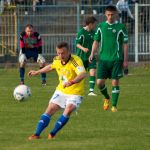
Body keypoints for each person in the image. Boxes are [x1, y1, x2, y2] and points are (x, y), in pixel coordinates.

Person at [28, 42, 86, 140]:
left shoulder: (75, 61)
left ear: (68, 52)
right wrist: (37, 72)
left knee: (68, 110)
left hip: (75, 92)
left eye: (62, 53)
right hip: (61, 90)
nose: (60, 56)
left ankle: (52, 133)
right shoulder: (57, 59)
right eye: (58, 53)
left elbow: (82, 74)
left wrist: (71, 82)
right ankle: (37, 134)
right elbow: (51, 66)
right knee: (50, 109)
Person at [89, 5, 128, 112]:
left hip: (116, 59)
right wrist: (92, 53)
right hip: (103, 60)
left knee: (115, 82)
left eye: (112, 14)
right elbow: (96, 41)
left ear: (116, 14)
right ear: (105, 15)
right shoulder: (101, 26)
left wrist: (125, 60)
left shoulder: (121, 27)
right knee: (99, 83)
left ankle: (114, 106)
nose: (110, 16)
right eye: (108, 14)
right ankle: (106, 97)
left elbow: (125, 44)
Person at [76, 16, 97, 96]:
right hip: (81, 57)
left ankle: (91, 91)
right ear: (90, 24)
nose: (95, 25)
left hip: (91, 56)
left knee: (93, 72)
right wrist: (83, 48)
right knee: (81, 75)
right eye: (94, 24)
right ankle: (76, 89)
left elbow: (95, 43)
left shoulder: (94, 32)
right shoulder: (81, 32)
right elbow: (77, 44)